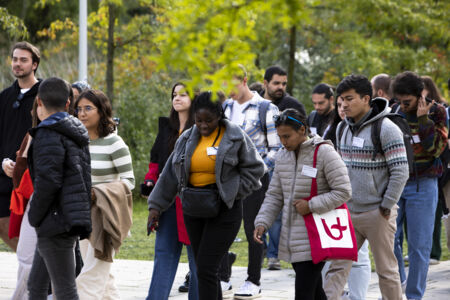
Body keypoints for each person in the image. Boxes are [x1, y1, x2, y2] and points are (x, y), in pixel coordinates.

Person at [148, 91, 265, 300]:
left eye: (208, 121)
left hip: (225, 210)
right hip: (193, 209)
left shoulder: (234, 135)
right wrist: (155, 207)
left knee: (205, 267)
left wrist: (234, 191)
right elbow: (169, 174)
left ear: (219, 115)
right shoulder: (186, 137)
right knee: (204, 269)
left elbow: (256, 169)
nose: (203, 125)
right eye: (199, 120)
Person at [324, 74, 409, 300]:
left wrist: (386, 205)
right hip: (348, 212)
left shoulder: (387, 128)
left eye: (349, 99)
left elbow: (401, 171)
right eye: (341, 99)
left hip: (377, 213)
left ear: (366, 98)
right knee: (336, 269)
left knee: (387, 272)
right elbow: (340, 170)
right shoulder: (342, 128)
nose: (343, 104)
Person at [254, 108, 352, 300]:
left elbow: (344, 191)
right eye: (280, 137)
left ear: (302, 130)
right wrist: (262, 221)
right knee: (315, 292)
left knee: (304, 293)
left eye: (287, 136)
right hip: (293, 238)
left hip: (317, 237)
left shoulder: (324, 152)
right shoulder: (282, 156)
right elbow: (274, 195)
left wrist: (311, 205)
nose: (283, 142)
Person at [27, 77, 92, 299]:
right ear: (68, 104)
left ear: (39, 102)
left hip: (54, 220)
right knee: (35, 286)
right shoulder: (75, 130)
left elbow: (48, 182)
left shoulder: (48, 133)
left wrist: (34, 216)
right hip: (66, 217)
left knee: (64, 290)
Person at [222, 66, 281, 298]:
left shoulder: (266, 108)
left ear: (245, 81)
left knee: (253, 229)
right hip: (227, 180)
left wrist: (256, 172)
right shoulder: (225, 107)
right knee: (224, 227)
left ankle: (253, 280)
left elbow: (276, 147)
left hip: (254, 180)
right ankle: (223, 277)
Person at [392, 71, 448, 300]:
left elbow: (436, 149)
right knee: (389, 240)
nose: (403, 106)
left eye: (407, 102)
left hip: (424, 184)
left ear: (420, 96)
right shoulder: (395, 113)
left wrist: (424, 120)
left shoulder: (437, 112)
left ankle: (414, 295)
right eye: (399, 101)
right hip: (397, 182)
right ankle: (395, 287)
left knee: (419, 246)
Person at [75, 89, 135, 300]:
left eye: (88, 108)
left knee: (90, 276)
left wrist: (98, 193)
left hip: (106, 216)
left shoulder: (114, 143)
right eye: (79, 109)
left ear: (102, 111)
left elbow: (129, 181)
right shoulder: (77, 143)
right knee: (104, 278)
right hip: (81, 215)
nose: (82, 113)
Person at [143, 82, 198, 300]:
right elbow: (155, 161)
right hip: (167, 203)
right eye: (174, 95)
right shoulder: (166, 128)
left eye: (183, 94)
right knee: (163, 255)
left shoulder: (202, 129)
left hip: (195, 204)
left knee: (197, 261)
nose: (177, 98)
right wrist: (149, 182)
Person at [322, 95, 372, 300]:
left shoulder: (368, 130)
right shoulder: (332, 131)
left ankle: (357, 297)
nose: (343, 108)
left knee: (359, 256)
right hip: (333, 200)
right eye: (340, 104)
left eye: (347, 103)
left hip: (358, 201)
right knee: (330, 254)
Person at [0, 41, 41, 251]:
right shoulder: (5, 97)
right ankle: (35, 268)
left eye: (23, 60)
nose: (17, 64)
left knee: (32, 229)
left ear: (34, 64)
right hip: (5, 174)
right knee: (3, 223)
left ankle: (40, 271)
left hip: (33, 175)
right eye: (15, 59)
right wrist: (3, 163)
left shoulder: (44, 96)